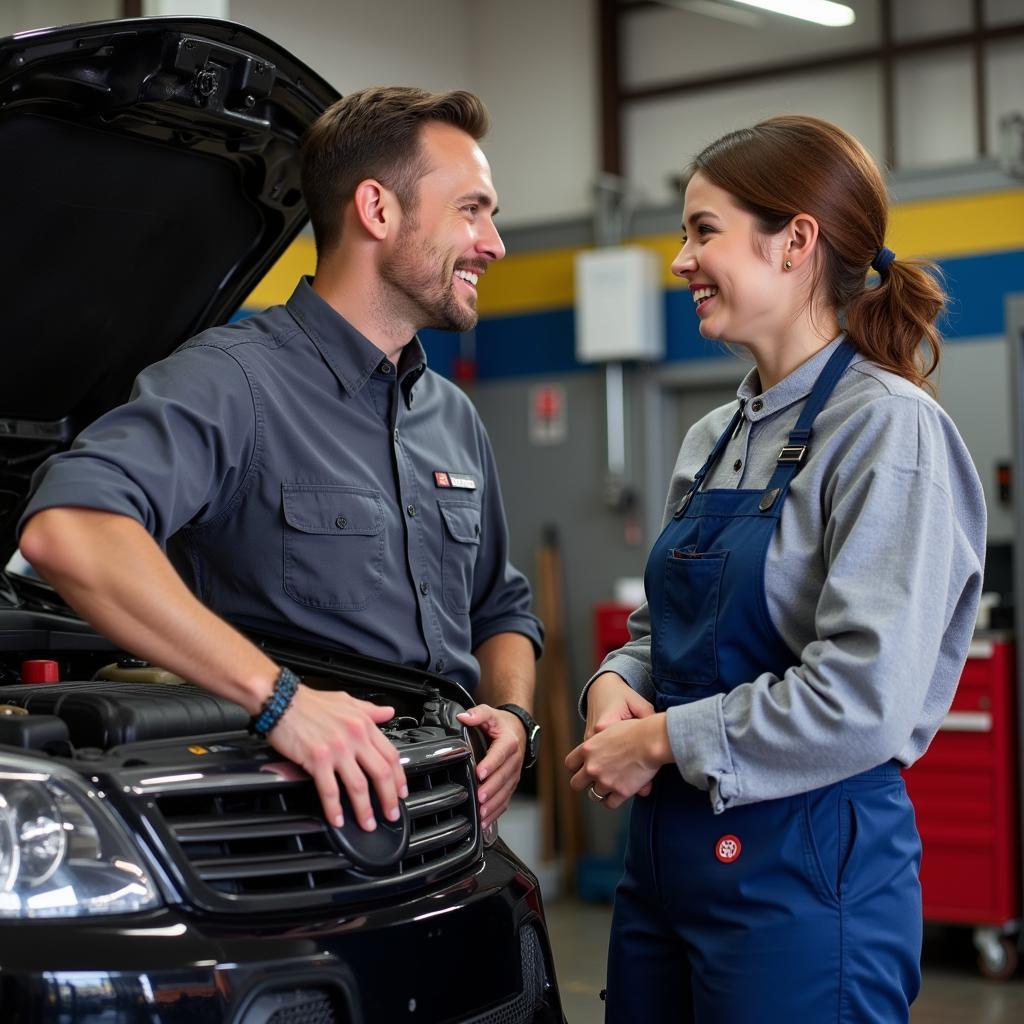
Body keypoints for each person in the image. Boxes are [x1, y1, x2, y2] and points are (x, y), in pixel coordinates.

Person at [19, 86, 542, 839]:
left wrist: (515, 712)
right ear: (377, 209)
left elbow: (500, 608)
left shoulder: (449, 414)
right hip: (283, 839)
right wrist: (282, 701)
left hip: (450, 832)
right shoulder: (232, 382)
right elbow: (68, 529)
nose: (493, 243)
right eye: (471, 209)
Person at [565, 114, 986, 1023]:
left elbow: (862, 696)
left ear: (795, 241)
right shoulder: (711, 440)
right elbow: (661, 632)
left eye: (702, 231)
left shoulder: (887, 430)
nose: (679, 260)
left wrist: (666, 741)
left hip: (806, 875)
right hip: (667, 866)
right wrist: (612, 684)